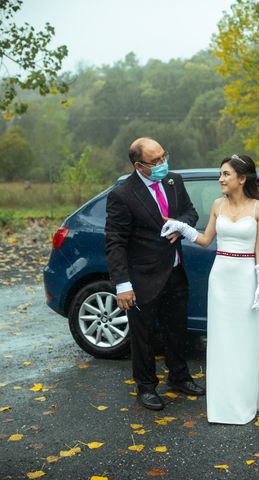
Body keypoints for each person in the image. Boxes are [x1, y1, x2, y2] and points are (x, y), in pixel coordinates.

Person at [161, 154, 259, 424]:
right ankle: (220, 406)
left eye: (226, 174)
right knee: (221, 341)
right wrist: (182, 227)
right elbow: (207, 239)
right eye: (221, 174)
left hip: (246, 278)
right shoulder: (217, 205)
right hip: (220, 278)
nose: (220, 179)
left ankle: (243, 403)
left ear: (242, 178)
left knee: (243, 341)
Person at [105, 137, 205, 411]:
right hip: (141, 278)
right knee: (144, 336)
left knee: (177, 331)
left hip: (174, 271)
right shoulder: (122, 195)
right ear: (139, 165)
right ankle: (146, 386)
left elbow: (190, 212)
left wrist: (179, 225)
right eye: (156, 161)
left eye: (164, 156)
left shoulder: (174, 181)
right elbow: (115, 241)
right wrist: (122, 284)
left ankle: (180, 377)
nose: (163, 163)